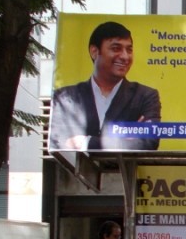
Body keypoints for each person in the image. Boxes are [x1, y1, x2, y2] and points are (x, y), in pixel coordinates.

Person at [49, 21, 161, 151]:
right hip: (76, 165)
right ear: (94, 52)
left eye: (129, 50)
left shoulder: (145, 96)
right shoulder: (65, 97)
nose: (125, 56)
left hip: (124, 166)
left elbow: (148, 142)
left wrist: (86, 142)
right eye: (116, 48)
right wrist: (123, 142)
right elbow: (57, 141)